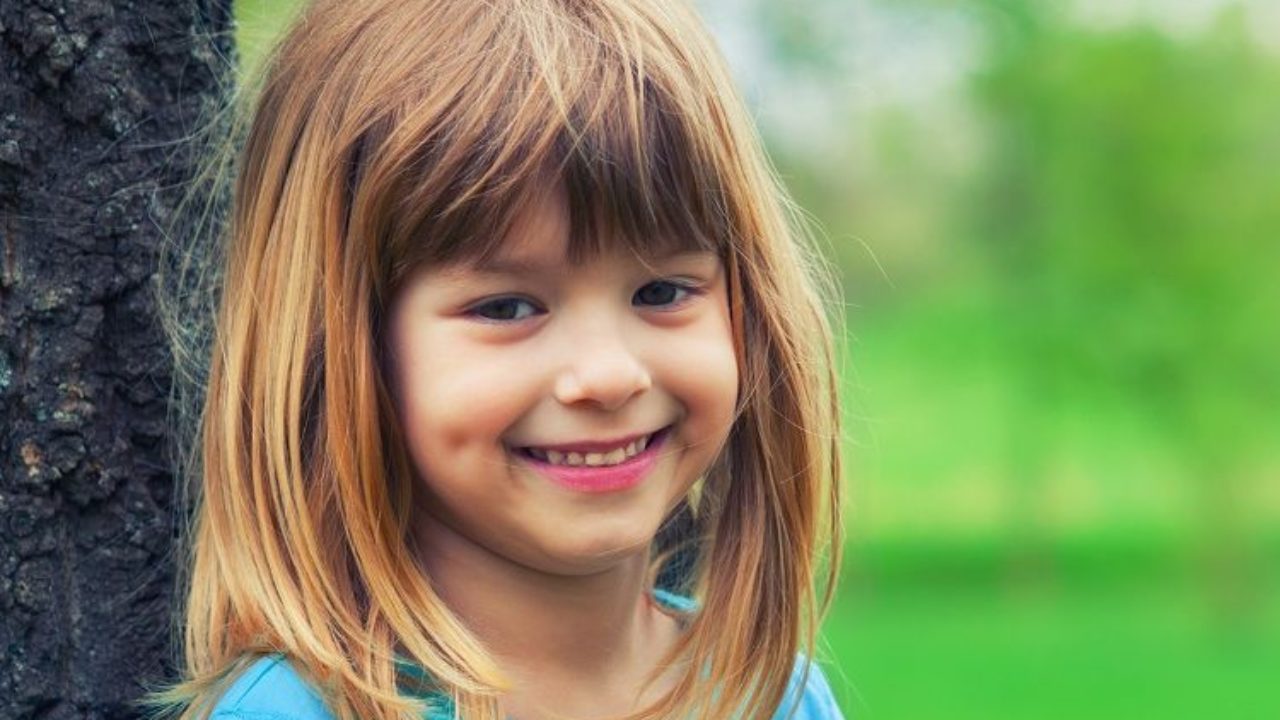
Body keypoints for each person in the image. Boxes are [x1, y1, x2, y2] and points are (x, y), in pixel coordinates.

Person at [145, 0, 845, 718]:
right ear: (345, 344)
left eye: (661, 291)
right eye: (507, 307)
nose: (608, 375)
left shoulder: (775, 696)